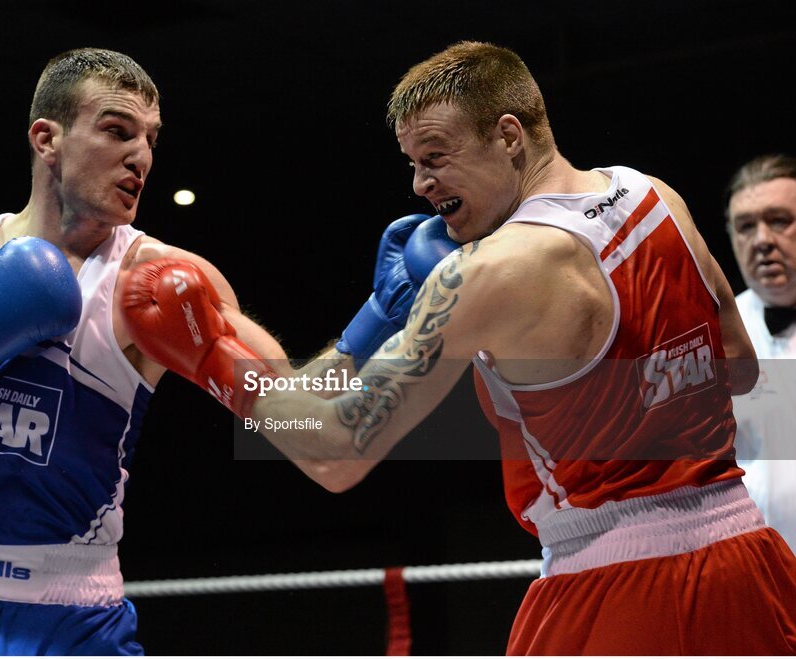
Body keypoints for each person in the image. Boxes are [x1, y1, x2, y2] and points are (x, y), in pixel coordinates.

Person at [119, 41, 796, 654]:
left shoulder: (488, 271)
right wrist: (376, 320)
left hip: (615, 583)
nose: (420, 185)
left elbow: (334, 451)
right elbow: (736, 368)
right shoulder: (655, 196)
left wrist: (211, 359)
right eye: (413, 165)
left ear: (507, 136)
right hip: (748, 559)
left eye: (436, 157)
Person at [0, 47, 456, 656]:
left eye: (151, 139)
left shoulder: (159, 280)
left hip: (68, 624)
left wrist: (379, 321)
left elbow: (306, 427)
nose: (140, 156)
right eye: (116, 130)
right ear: (45, 138)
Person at [725, 154, 796, 553]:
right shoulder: (714, 336)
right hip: (754, 584)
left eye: (780, 220)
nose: (763, 240)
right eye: (746, 226)